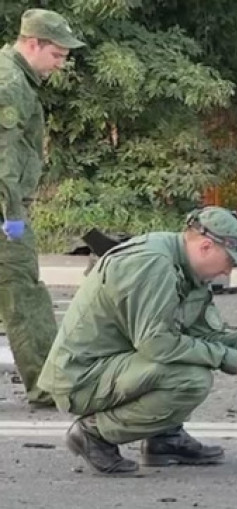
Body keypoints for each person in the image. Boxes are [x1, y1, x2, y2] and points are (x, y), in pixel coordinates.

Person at [37, 207, 237, 474]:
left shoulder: (186, 267)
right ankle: (93, 434)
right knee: (190, 379)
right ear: (206, 247)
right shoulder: (153, 264)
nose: (227, 271)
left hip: (115, 365)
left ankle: (164, 439)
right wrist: (231, 360)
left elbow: (201, 332)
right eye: (230, 261)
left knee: (192, 359)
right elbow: (157, 344)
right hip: (81, 378)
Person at [0, 9, 85, 407]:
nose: (61, 64)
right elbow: (2, 159)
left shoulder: (12, 76)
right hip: (5, 211)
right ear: (33, 43)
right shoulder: (9, 84)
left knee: (20, 290)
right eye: (58, 55)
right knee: (23, 291)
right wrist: (11, 219)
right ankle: (48, 385)